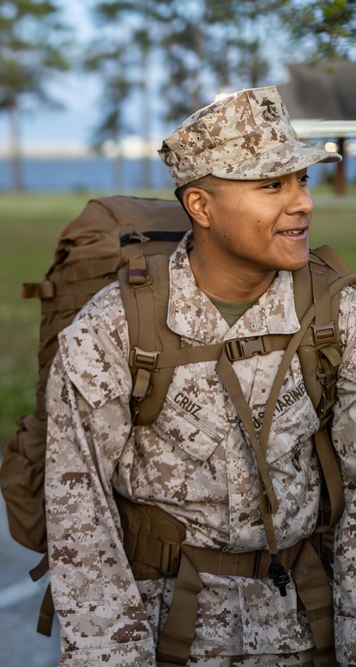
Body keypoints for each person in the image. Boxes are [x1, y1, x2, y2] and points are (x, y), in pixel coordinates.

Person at [43, 86, 352, 666]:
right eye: (271, 185)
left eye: (302, 180)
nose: (303, 203)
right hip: (170, 635)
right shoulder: (115, 328)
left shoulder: (338, 314)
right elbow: (81, 521)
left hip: (304, 630)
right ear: (202, 207)